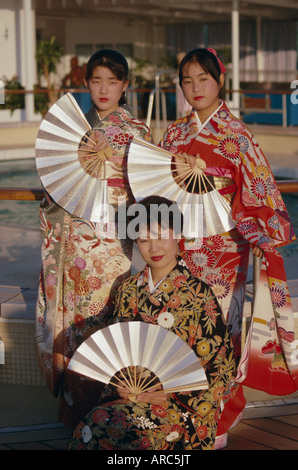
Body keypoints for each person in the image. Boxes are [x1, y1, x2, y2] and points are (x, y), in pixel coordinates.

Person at [159, 48, 298, 448]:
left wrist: (259, 229)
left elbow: (261, 192)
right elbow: (158, 190)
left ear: (219, 80)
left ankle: (218, 416)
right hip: (181, 244)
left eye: (202, 78)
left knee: (221, 330)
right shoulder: (174, 134)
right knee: (180, 324)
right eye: (187, 80)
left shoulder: (237, 136)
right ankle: (180, 412)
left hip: (223, 249)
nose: (194, 87)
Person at [35, 49, 151, 429]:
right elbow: (55, 185)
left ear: (125, 86)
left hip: (109, 247)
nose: (104, 89)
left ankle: (102, 410)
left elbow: (143, 190)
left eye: (112, 81)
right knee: (70, 324)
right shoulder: (73, 129)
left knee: (101, 319)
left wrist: (112, 166)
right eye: (96, 80)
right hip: (70, 244)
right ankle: (73, 409)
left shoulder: (137, 132)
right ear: (86, 84)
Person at [67, 195, 236, 450]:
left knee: (132, 433)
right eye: (144, 240)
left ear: (178, 234)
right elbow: (117, 351)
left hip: (180, 407)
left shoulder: (200, 295)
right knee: (94, 425)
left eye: (161, 236)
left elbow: (221, 364)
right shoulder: (127, 291)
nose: (154, 248)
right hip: (129, 399)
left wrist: (172, 393)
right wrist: (121, 386)